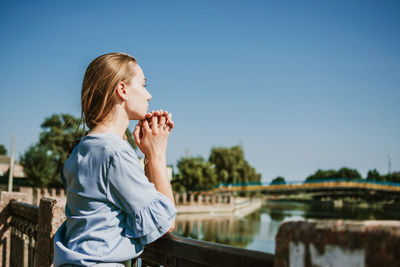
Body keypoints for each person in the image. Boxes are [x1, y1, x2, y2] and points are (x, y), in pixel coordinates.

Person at [54, 52, 177, 266]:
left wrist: (147, 155)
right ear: (122, 90)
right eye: (143, 84)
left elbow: (139, 203)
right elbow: (164, 223)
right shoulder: (114, 153)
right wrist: (157, 154)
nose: (148, 95)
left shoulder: (81, 149)